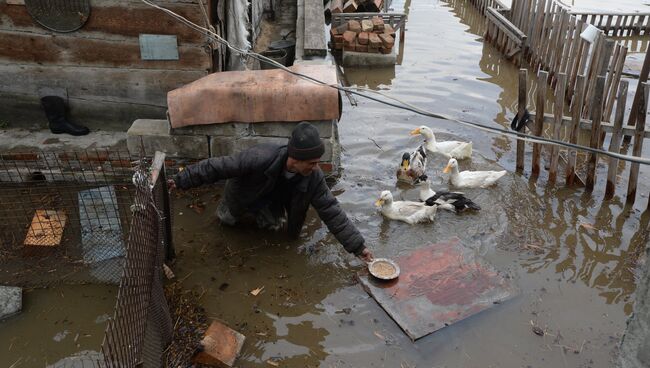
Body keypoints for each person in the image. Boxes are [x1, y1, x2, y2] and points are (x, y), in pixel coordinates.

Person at [169, 122, 374, 263]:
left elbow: (331, 211)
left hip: (272, 204)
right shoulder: (259, 157)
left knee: (270, 230)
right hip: (242, 197)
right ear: (295, 158)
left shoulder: (314, 177)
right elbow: (217, 167)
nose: (316, 166)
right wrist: (180, 180)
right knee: (226, 223)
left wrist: (359, 247)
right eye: (312, 162)